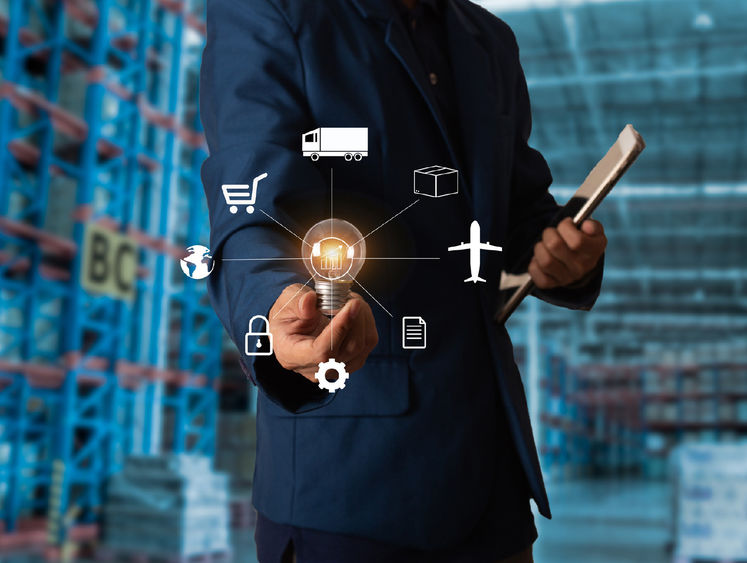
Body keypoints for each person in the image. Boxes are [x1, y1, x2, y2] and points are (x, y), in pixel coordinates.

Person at [200, 1, 606, 561]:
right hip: (353, 479)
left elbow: (515, 209)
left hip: (491, 483)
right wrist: (275, 311)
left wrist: (562, 255)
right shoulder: (275, 11)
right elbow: (250, 200)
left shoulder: (489, 40)